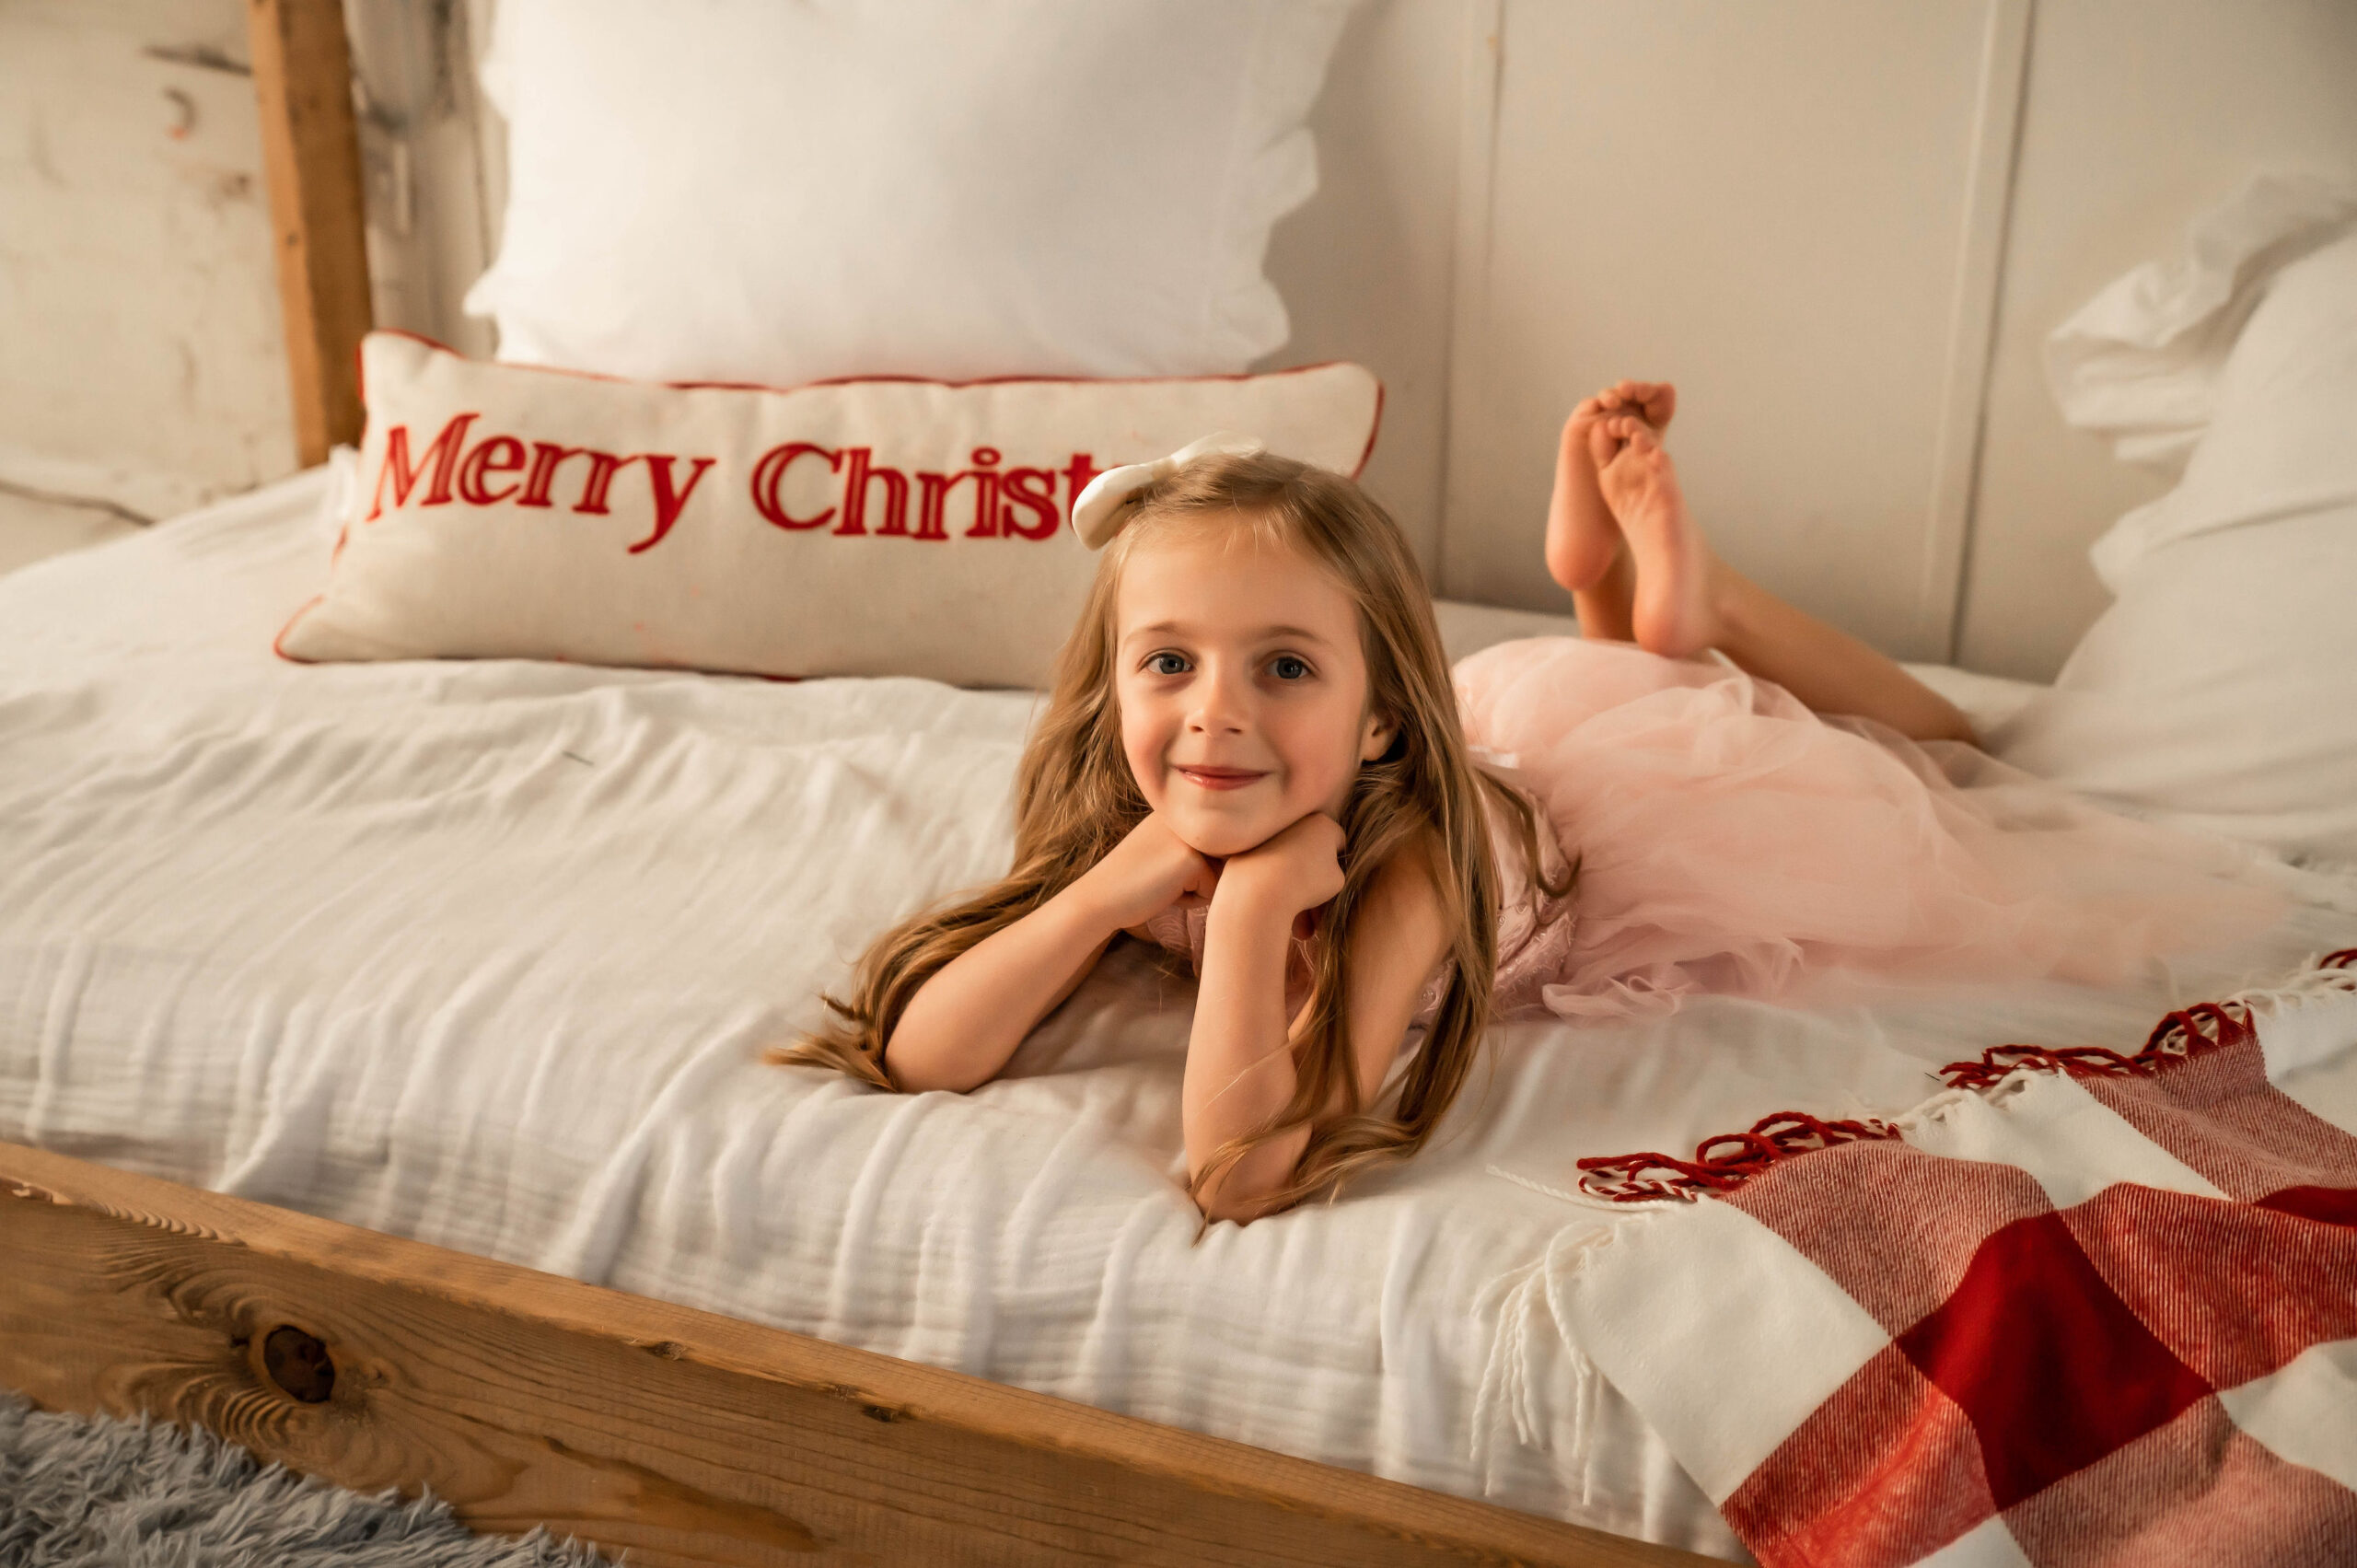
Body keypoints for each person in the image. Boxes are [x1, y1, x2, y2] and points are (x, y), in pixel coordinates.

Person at [774, 390, 2278, 1222]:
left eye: (1281, 666)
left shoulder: (1415, 871)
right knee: (1637, 675)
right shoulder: (1159, 801)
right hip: (1483, 736)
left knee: (1940, 752)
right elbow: (923, 1058)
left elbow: (1240, 1173)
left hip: (1592, 814)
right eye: (1168, 661)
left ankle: (1698, 615)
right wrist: (1106, 892)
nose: (1215, 712)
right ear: (1114, 682)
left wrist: (1243, 919)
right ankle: (1628, 616)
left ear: (1370, 721)